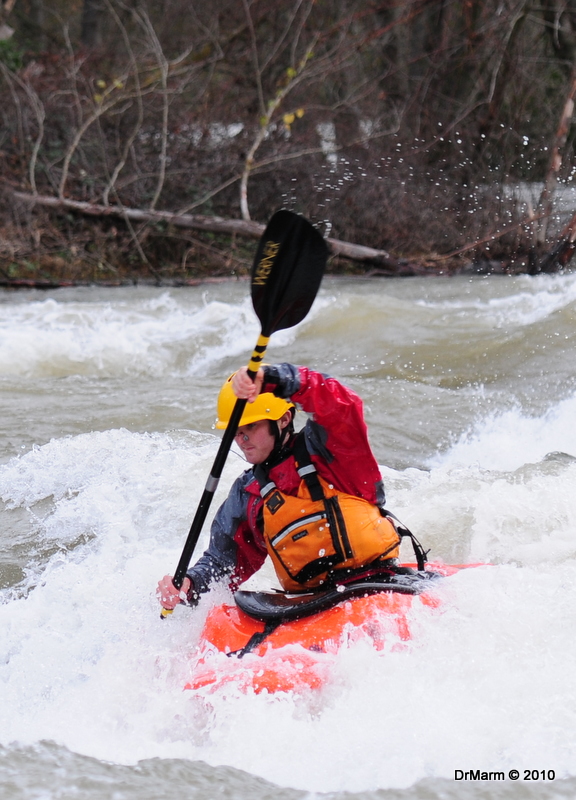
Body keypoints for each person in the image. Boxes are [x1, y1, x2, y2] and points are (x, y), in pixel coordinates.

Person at [157, 363, 403, 612]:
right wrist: (190, 583)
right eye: (236, 431)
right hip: (312, 602)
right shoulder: (248, 493)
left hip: (379, 581)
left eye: (251, 427)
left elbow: (338, 403)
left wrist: (276, 379)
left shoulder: (331, 450)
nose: (242, 439)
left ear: (284, 419)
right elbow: (223, 564)